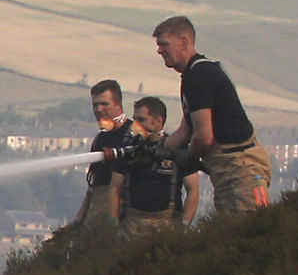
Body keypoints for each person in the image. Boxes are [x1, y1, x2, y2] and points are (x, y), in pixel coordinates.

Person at [154, 15, 271, 215]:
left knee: (250, 232)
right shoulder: (195, 74)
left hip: (239, 169)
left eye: (164, 44)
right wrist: (158, 148)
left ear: (183, 42)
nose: (159, 50)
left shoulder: (199, 76)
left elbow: (204, 136)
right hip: (229, 170)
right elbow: (186, 129)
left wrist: (189, 157)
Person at [117, 97, 185, 237]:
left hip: (167, 225)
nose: (135, 125)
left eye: (141, 120)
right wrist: (114, 221)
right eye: (134, 119)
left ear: (159, 120)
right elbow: (114, 187)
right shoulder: (127, 149)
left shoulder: (176, 148)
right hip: (132, 224)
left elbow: (193, 188)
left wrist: (185, 224)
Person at [74, 79, 130, 233]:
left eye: (104, 104)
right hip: (97, 213)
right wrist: (78, 220)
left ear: (118, 103)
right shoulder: (100, 139)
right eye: (95, 105)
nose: (99, 109)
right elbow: (93, 185)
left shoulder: (133, 135)